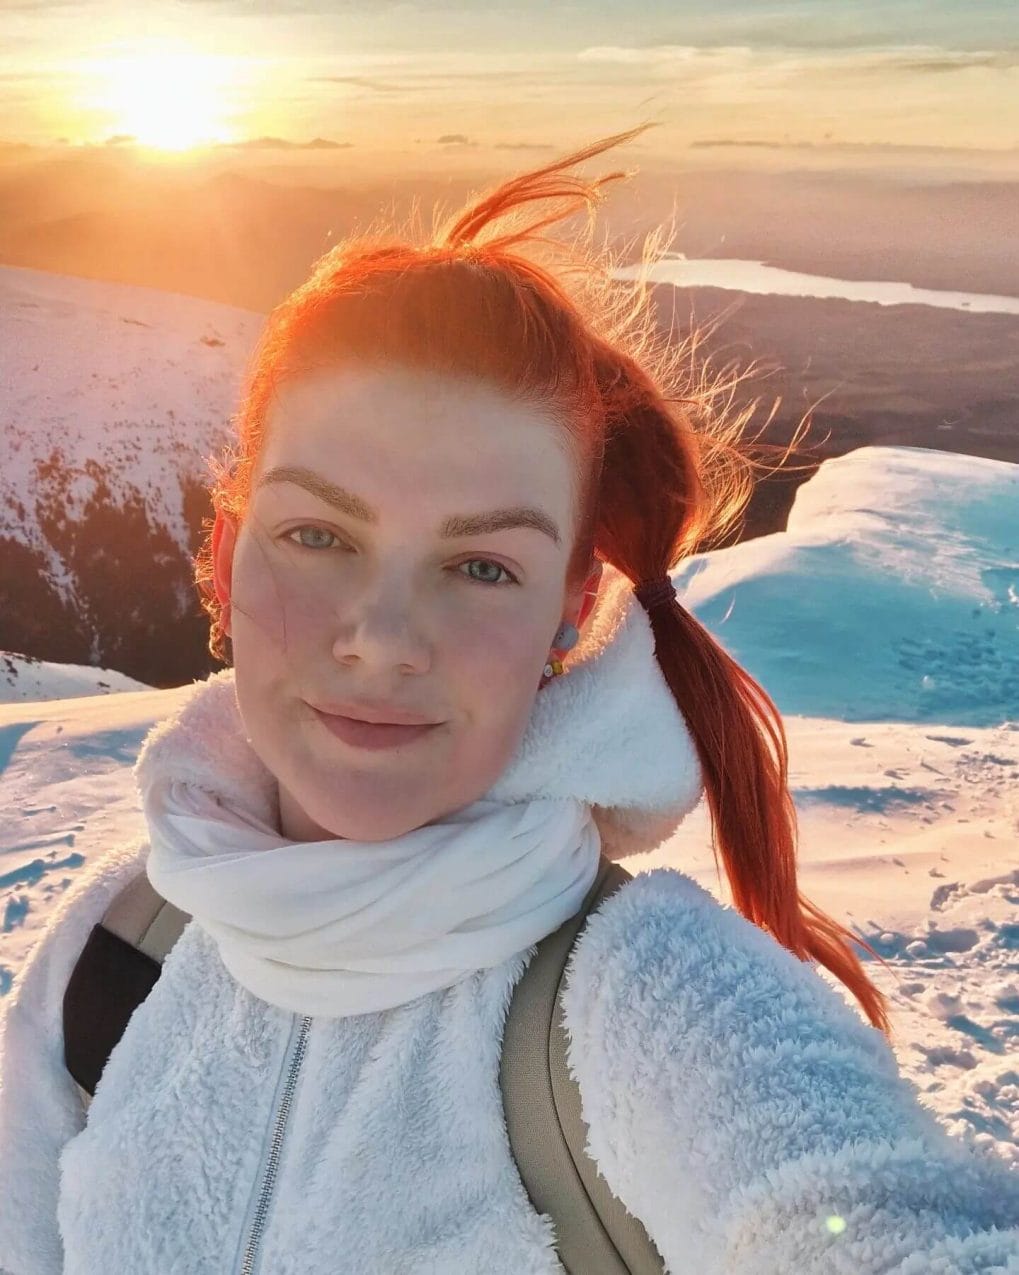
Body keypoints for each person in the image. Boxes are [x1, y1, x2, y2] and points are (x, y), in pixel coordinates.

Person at [1, 123, 1016, 1275]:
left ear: (569, 614)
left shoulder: (641, 1003)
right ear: (228, 557)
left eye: (482, 567)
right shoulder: (111, 953)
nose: (381, 641)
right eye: (318, 535)